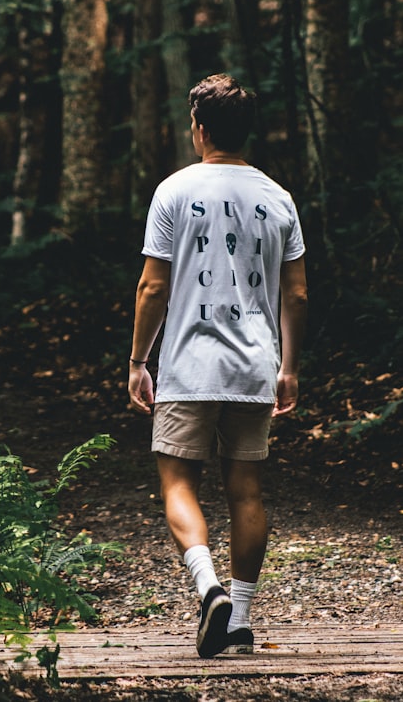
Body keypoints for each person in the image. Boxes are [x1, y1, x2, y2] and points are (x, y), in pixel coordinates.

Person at [128, 73, 307, 658]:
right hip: (255, 364)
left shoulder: (174, 191)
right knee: (246, 489)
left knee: (178, 481)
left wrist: (137, 360)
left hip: (187, 363)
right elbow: (296, 293)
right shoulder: (278, 198)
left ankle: (208, 590)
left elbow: (153, 287)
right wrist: (288, 367)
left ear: (199, 128)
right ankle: (242, 616)